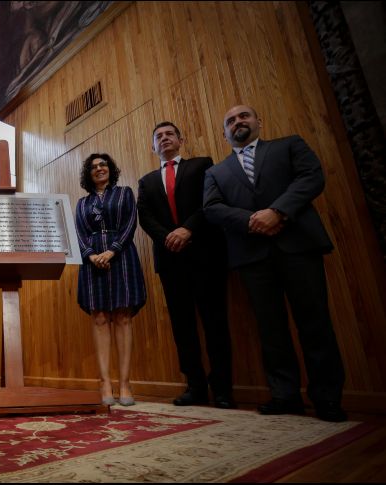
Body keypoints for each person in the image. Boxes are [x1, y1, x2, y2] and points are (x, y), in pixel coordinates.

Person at [203, 104, 347, 422]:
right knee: (270, 329)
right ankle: (285, 394)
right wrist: (253, 220)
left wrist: (277, 211)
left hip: (298, 246)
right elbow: (212, 208)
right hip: (252, 255)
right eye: (230, 121)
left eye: (244, 116)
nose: (238, 122)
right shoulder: (216, 172)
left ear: (259, 121)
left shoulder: (289, 145)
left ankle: (327, 398)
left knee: (315, 323)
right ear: (224, 133)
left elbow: (312, 177)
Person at [137, 122, 235, 409]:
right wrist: (168, 236)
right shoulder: (146, 181)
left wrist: (187, 230)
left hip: (205, 254)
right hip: (170, 261)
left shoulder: (202, 165)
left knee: (215, 322)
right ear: (153, 147)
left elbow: (210, 202)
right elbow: (145, 216)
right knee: (183, 326)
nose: (164, 139)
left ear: (181, 139)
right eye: (158, 137)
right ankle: (195, 386)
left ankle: (222, 390)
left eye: (169, 134)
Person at [75, 153, 147, 406]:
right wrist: (91, 255)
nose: (99, 169)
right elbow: (80, 234)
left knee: (123, 316)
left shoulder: (125, 193)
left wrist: (112, 249)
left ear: (110, 169)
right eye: (93, 167)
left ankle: (125, 384)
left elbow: (130, 224)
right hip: (92, 261)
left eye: (103, 164)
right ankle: (105, 382)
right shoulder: (82, 203)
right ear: (88, 174)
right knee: (100, 317)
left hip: (122, 256)